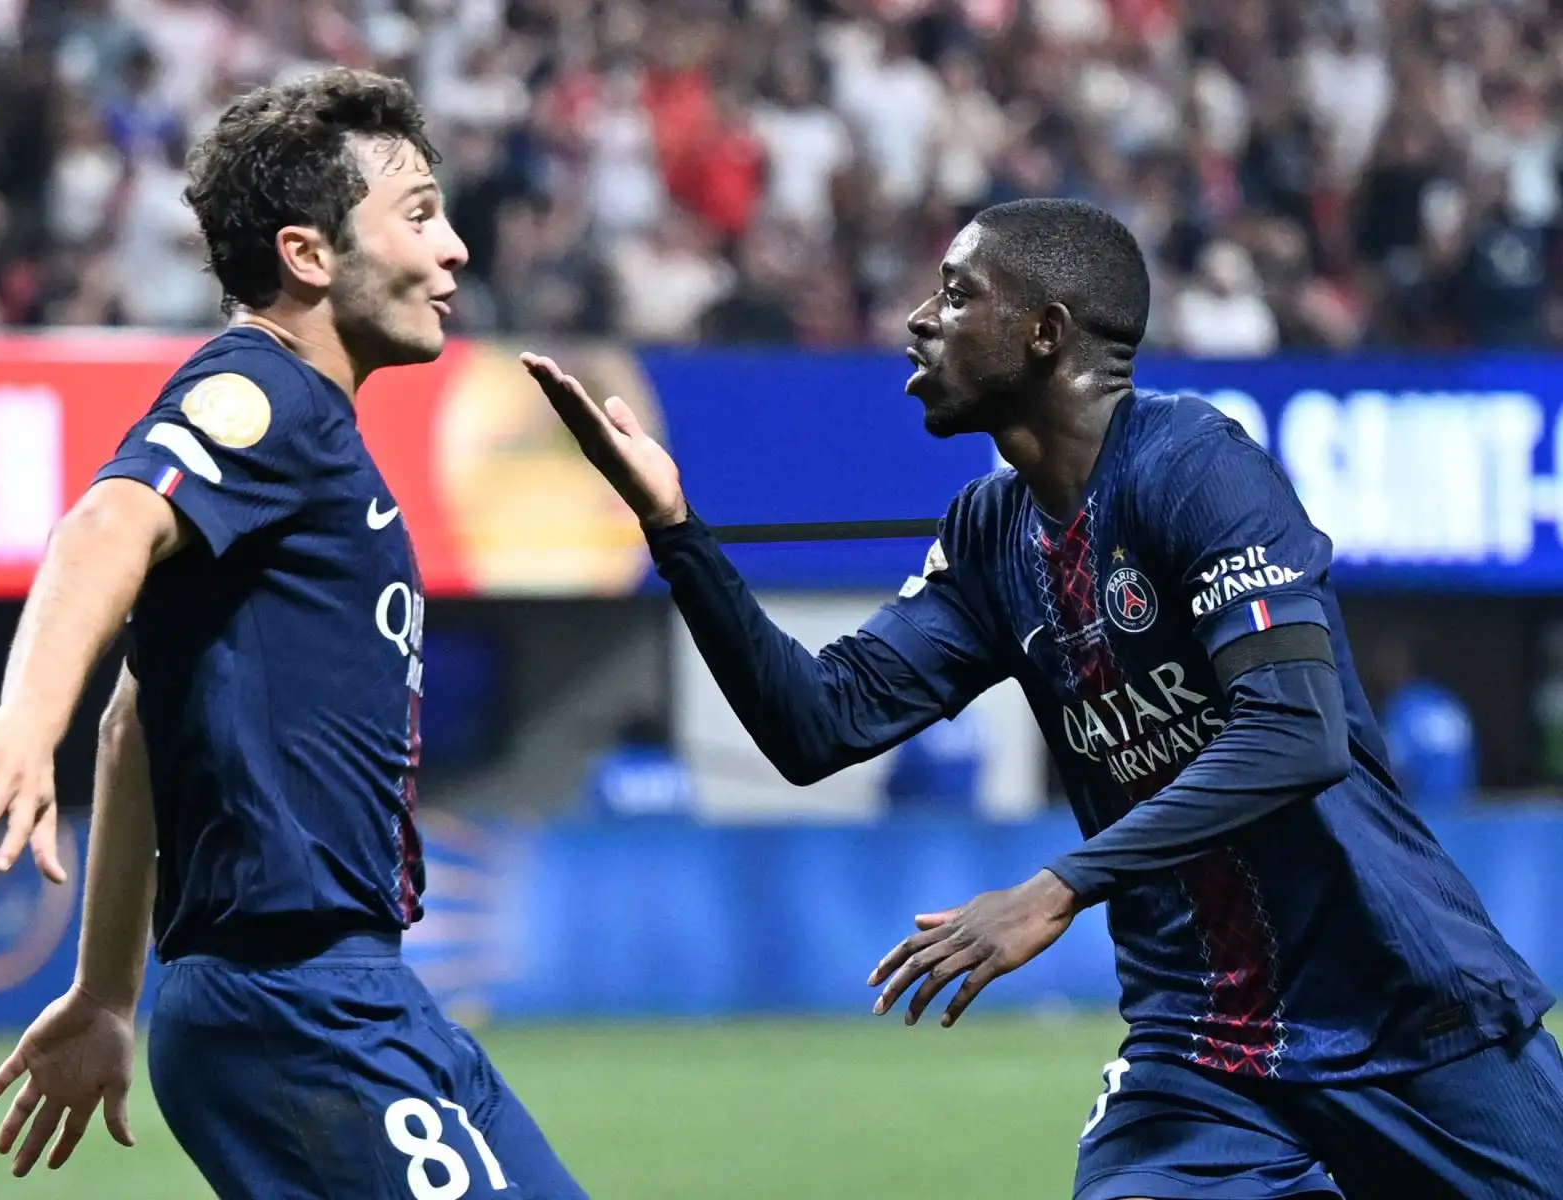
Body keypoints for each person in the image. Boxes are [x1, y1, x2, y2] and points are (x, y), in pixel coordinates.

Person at [525, 198, 1563, 1198]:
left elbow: (1297, 733)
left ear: (1044, 333)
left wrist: (1058, 886)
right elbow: (818, 723)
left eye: (956, 294)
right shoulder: (988, 535)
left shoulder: (1195, 466)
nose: (918, 321)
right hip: (1201, 1051)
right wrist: (674, 531)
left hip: (1410, 1018)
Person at [0, 69, 586, 1199]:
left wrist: (107, 993)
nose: (456, 248)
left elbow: (141, 721)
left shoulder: (315, 434)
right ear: (309, 255)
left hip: (350, 994)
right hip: (298, 1003)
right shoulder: (259, 394)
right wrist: (30, 716)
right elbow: (106, 519)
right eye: (419, 214)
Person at [1372, 633, 1477, 816]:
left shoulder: (1402, 704)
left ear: (1404, 663)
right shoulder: (1448, 700)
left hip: (1423, 816)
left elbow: (1392, 769)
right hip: (1461, 812)